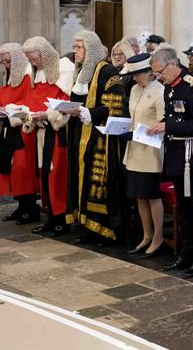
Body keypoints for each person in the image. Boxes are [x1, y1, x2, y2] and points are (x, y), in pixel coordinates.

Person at [147, 48, 193, 278]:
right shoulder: (170, 88)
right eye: (155, 74)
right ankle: (184, 255)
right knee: (182, 209)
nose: (158, 77)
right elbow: (174, 117)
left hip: (192, 155)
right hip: (176, 153)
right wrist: (160, 124)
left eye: (159, 72)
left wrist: (167, 126)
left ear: (173, 65)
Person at [62, 30, 126, 243]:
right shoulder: (81, 73)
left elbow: (114, 107)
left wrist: (88, 112)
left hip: (101, 138)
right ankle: (87, 226)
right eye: (75, 47)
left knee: (99, 183)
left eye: (79, 47)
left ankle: (104, 230)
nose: (76, 51)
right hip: (80, 134)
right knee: (82, 179)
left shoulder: (107, 71)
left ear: (90, 50)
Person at [21, 36, 75, 236]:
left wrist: (47, 115)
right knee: (44, 176)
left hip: (58, 133)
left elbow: (65, 105)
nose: (34, 63)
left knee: (57, 176)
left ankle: (61, 220)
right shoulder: (36, 76)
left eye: (36, 59)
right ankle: (50, 217)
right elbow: (31, 102)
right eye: (32, 61)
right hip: (42, 132)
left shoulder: (63, 73)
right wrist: (27, 116)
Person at [117, 53, 166, 257]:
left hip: (150, 150)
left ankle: (158, 237)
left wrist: (136, 133)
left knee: (152, 196)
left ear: (149, 71)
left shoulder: (160, 91)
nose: (135, 78)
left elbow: (162, 124)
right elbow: (134, 116)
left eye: (138, 74)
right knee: (139, 197)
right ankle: (146, 235)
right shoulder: (135, 89)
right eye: (133, 75)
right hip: (135, 150)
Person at [0, 43, 38, 224]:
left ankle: (30, 209)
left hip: (23, 132)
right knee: (10, 169)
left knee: (22, 170)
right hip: (8, 130)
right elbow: (0, 97)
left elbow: (28, 104)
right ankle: (21, 206)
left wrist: (8, 109)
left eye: (8, 62)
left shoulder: (27, 79)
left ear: (17, 60)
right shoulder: (8, 80)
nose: (6, 66)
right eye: (3, 62)